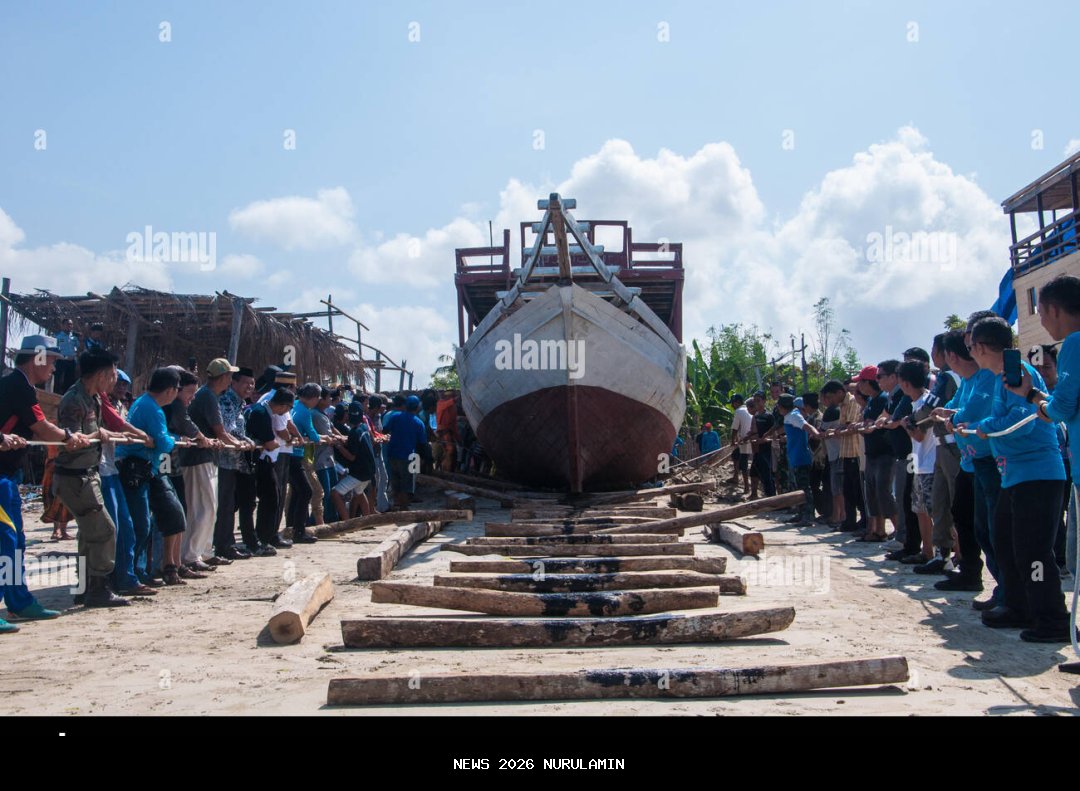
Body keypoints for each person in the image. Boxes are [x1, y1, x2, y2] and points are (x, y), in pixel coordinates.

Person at [962, 316, 1068, 642]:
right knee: (1006, 543)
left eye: (971, 349)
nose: (971, 356)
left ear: (980, 347)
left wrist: (988, 427)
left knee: (1034, 552)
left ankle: (1053, 619)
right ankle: (1018, 606)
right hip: (1013, 476)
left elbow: (1024, 419)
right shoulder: (998, 379)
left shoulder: (1018, 374)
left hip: (1037, 474)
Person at [1009, 274, 1080, 637]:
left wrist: (1033, 397)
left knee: (1055, 555)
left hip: (1055, 468)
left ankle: (1054, 622)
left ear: (1052, 309)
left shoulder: (1074, 345)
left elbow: (1061, 407)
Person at [0, 335, 88, 627]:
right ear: (36, 357)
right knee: (5, 542)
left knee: (15, 543)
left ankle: (19, 602)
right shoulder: (18, 387)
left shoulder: (20, 387)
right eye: (51, 360)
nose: (53, 368)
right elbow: (42, 427)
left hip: (9, 477)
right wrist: (68, 436)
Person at [53, 346, 139, 607]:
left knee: (88, 533)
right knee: (104, 530)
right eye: (113, 373)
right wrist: (97, 436)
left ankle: (84, 587)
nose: (115, 379)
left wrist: (109, 435)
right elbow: (70, 440)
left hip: (89, 473)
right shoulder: (73, 399)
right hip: (75, 476)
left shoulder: (95, 398)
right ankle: (99, 588)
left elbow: (99, 429)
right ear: (102, 374)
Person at [117, 367, 190, 587]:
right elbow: (163, 442)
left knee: (151, 521)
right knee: (141, 524)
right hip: (139, 469)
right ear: (169, 390)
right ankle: (131, 573)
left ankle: (147, 570)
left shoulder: (144, 403)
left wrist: (169, 437)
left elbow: (161, 439)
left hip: (147, 468)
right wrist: (171, 439)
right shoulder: (153, 409)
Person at [932, 330, 987, 593]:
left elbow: (966, 414)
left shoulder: (985, 376)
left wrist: (950, 418)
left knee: (987, 527)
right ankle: (969, 571)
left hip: (986, 463)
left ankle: (1007, 589)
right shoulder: (965, 381)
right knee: (963, 518)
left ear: (951, 356)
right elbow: (954, 408)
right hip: (968, 462)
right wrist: (948, 415)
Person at [184, 359, 241, 569]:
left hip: (208, 457)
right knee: (203, 507)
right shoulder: (207, 396)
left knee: (210, 507)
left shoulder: (210, 395)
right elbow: (220, 432)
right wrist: (239, 444)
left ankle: (205, 552)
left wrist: (237, 443)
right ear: (224, 377)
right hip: (199, 458)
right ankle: (192, 555)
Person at [246, 388, 298, 555]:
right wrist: (276, 441)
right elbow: (270, 442)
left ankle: (263, 537)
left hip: (264, 460)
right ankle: (263, 538)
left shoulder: (263, 411)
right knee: (269, 499)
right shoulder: (261, 412)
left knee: (270, 499)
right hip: (262, 461)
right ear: (283, 406)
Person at [896, 360, 938, 565]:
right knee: (920, 510)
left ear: (904, 383)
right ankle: (928, 552)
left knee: (936, 513)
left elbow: (919, 436)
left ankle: (952, 555)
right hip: (920, 463)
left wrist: (906, 425)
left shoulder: (925, 403)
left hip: (930, 464)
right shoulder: (917, 402)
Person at [215, 367, 256, 560]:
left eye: (252, 384)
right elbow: (227, 429)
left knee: (231, 504)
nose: (249, 387)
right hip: (223, 461)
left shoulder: (240, 403)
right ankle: (224, 545)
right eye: (246, 383)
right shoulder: (226, 402)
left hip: (235, 462)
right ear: (234, 382)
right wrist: (247, 441)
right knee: (225, 505)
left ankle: (227, 543)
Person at [853, 365, 893, 542]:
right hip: (872, 453)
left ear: (870, 382)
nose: (858, 386)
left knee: (883, 493)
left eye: (861, 382)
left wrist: (864, 427)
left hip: (885, 452)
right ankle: (878, 530)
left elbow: (874, 426)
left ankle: (900, 532)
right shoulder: (871, 401)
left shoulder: (883, 399)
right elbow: (866, 425)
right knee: (872, 494)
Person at [776, 394, 820, 525]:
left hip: (801, 457)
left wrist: (816, 433)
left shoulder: (794, 416)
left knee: (804, 488)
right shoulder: (789, 417)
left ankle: (808, 515)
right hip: (795, 456)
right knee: (797, 488)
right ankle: (801, 513)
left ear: (783, 407)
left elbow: (806, 426)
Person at [331, 402, 377, 520]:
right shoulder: (364, 428)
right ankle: (367, 522)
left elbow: (351, 457)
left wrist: (338, 446)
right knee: (359, 493)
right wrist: (343, 439)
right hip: (369, 471)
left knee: (335, 493)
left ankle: (347, 523)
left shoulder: (354, 432)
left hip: (359, 472)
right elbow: (362, 443)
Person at [384, 395, 430, 511]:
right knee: (407, 483)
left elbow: (385, 430)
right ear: (417, 407)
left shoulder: (395, 417)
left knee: (396, 481)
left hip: (392, 454)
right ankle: (404, 508)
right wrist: (426, 458)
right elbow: (423, 443)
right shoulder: (418, 423)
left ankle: (396, 503)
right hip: (409, 456)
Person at [729, 395, 752, 495]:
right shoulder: (748, 409)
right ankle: (735, 477)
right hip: (749, 438)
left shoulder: (739, 411)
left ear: (737, 402)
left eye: (733, 403)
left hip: (746, 441)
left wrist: (733, 441)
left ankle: (747, 487)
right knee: (735, 455)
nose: (732, 405)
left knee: (743, 463)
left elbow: (734, 428)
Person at [54, 318, 80, 394]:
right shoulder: (58, 337)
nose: (70, 326)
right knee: (58, 379)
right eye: (68, 324)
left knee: (70, 380)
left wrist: (80, 339)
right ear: (62, 325)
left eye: (71, 324)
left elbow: (79, 347)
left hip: (71, 361)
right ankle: (56, 394)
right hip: (61, 360)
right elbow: (55, 348)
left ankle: (66, 395)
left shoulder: (74, 337)